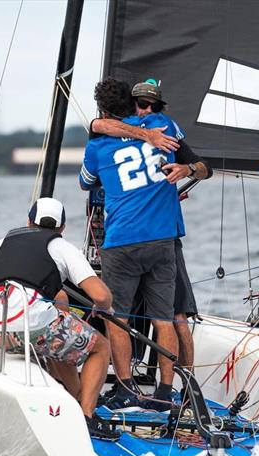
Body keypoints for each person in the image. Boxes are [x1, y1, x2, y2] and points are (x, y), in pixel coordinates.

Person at [0, 197, 118, 441]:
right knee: (99, 346)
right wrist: (103, 307)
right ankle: (87, 417)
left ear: (28, 221)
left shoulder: (1, 243)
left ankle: (74, 400)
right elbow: (101, 295)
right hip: (34, 326)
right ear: (62, 228)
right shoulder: (62, 247)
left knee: (60, 338)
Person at [90, 79, 213, 375]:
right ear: (130, 106)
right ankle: (152, 381)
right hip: (137, 236)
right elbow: (98, 124)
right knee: (149, 315)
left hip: (162, 238)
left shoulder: (164, 128)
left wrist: (187, 169)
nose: (146, 110)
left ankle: (184, 386)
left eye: (152, 106)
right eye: (141, 104)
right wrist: (146, 135)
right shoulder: (144, 130)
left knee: (175, 313)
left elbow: (205, 168)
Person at [79, 77, 183, 411]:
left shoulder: (97, 144)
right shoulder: (160, 125)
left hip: (122, 241)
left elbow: (85, 182)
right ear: (134, 103)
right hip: (162, 239)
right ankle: (165, 392)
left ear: (104, 110)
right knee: (163, 319)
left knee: (117, 318)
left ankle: (126, 389)